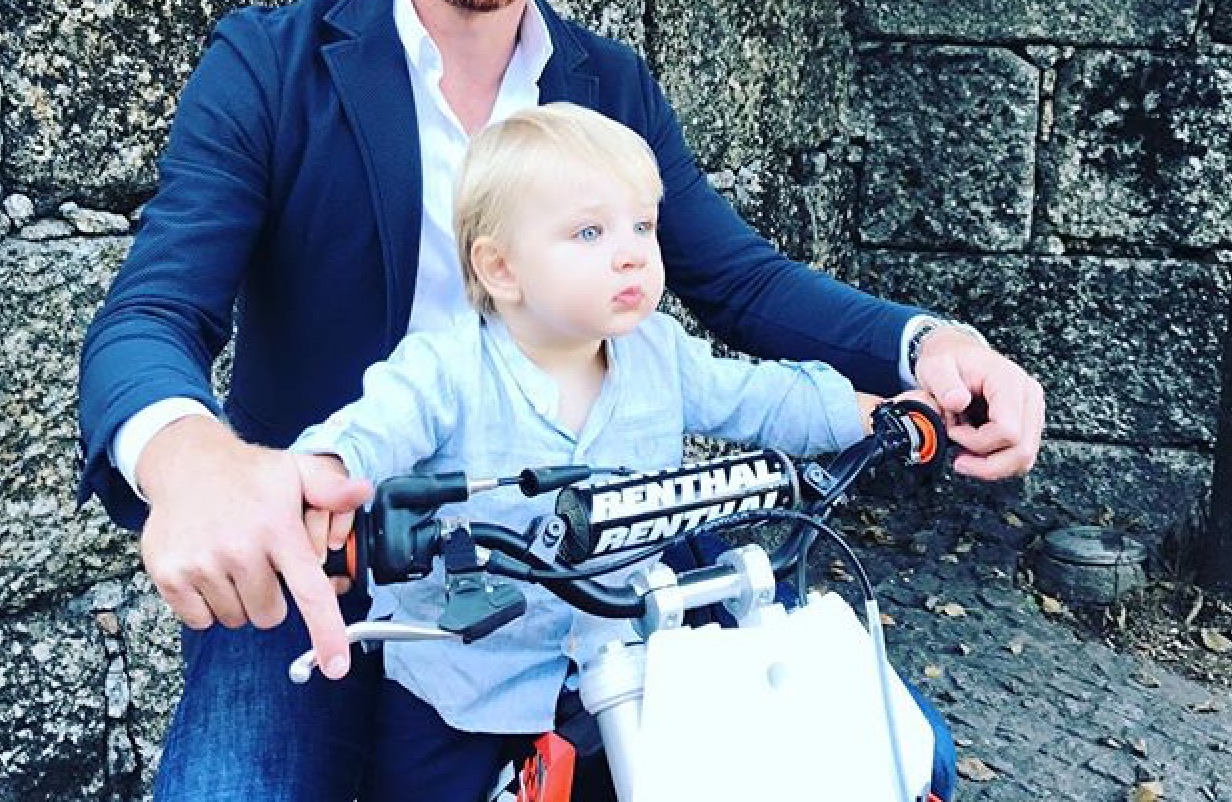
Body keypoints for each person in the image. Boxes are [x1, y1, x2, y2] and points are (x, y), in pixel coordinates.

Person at [77, 0, 1043, 800]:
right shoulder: (268, 63)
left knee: (888, 758)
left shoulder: (608, 84)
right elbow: (152, 311)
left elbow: (737, 278)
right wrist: (196, 460)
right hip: (333, 537)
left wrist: (926, 345)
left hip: (594, 529)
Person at [289, 102, 950, 802]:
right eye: (589, 232)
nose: (632, 252)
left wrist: (871, 417)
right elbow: (374, 427)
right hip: (470, 676)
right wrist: (328, 471)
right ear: (502, 268)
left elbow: (755, 397)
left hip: (626, 653)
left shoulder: (658, 352)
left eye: (642, 226)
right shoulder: (444, 369)